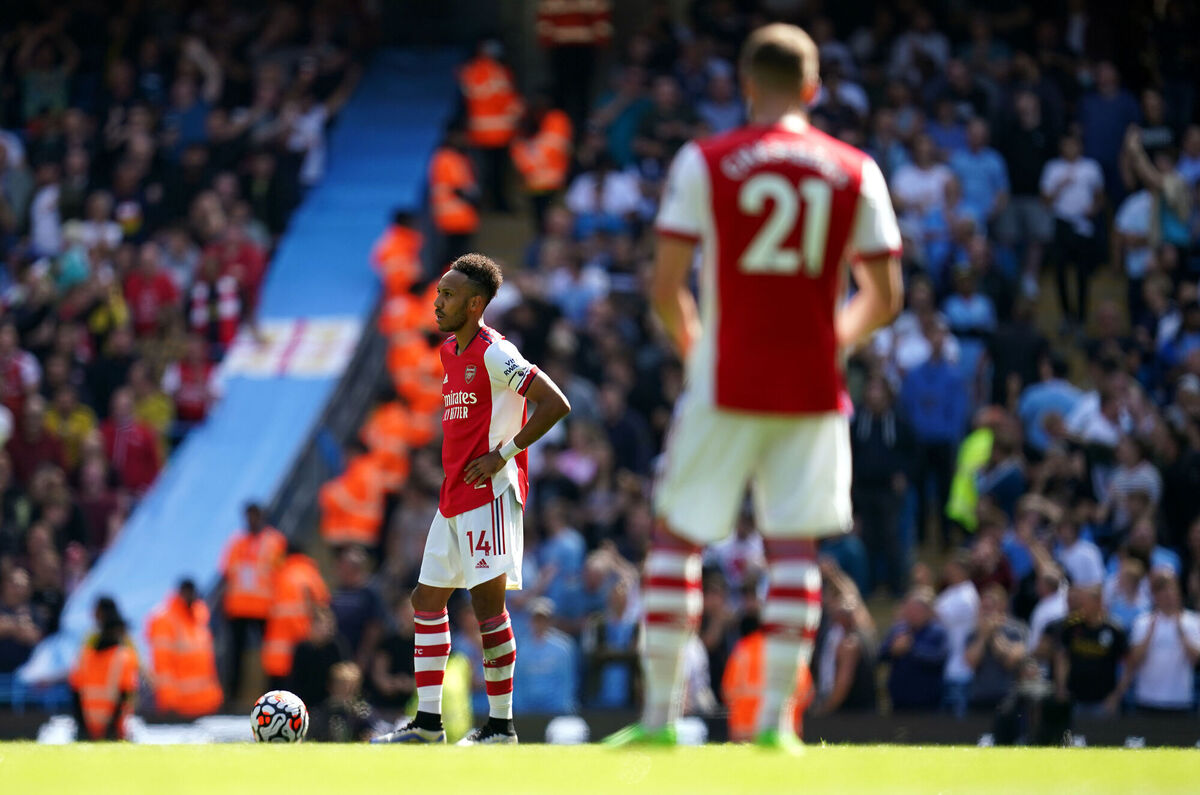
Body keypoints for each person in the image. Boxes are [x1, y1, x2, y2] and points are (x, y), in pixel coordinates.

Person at [607, 23, 902, 750]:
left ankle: (657, 720)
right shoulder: (854, 168)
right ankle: (776, 726)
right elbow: (886, 293)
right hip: (810, 384)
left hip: (726, 377)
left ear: (745, 84)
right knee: (793, 545)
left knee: (677, 536)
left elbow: (665, 284)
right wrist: (831, 338)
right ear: (813, 88)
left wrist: (694, 347)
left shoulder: (706, 161)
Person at [372, 253, 570, 745]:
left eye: (448, 295)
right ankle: (428, 724)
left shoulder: (494, 351)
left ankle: (501, 728)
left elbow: (555, 403)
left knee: (487, 609)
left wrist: (505, 454)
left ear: (475, 303)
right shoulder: (449, 352)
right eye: (438, 293)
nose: (437, 303)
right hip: (453, 494)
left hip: (490, 493)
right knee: (426, 599)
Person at [215, 503, 285, 701]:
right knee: (235, 655)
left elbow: (280, 573)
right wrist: (224, 602)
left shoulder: (274, 542)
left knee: (271, 654)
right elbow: (226, 574)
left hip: (265, 609)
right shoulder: (236, 542)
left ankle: (274, 696)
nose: (252, 520)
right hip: (238, 608)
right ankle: (232, 697)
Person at [1123, 570, 1200, 713]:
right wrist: (1149, 634)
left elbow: (1196, 660)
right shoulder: (1142, 622)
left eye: (1171, 589)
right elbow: (1134, 660)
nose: (1167, 594)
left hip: (1180, 700)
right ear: (1154, 595)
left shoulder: (1193, 621)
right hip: (1147, 698)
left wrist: (1181, 632)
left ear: (1178, 591)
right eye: (1161, 590)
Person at [145, 579, 223, 717]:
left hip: (205, 703)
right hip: (179, 706)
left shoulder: (198, 616)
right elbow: (162, 666)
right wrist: (169, 701)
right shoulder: (164, 620)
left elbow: (206, 662)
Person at [1052, 584, 1128, 717]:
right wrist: (1061, 687)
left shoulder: (1114, 630)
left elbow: (1128, 665)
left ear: (1098, 603)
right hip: (1076, 698)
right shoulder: (1071, 626)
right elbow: (1062, 657)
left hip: (1104, 700)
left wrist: (1116, 695)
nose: (1081, 607)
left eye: (1085, 603)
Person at [69, 596, 138, 741]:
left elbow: (76, 690)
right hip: (114, 729)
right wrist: (110, 729)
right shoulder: (123, 655)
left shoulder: (86, 653)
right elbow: (124, 693)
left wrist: (82, 726)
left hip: (89, 726)